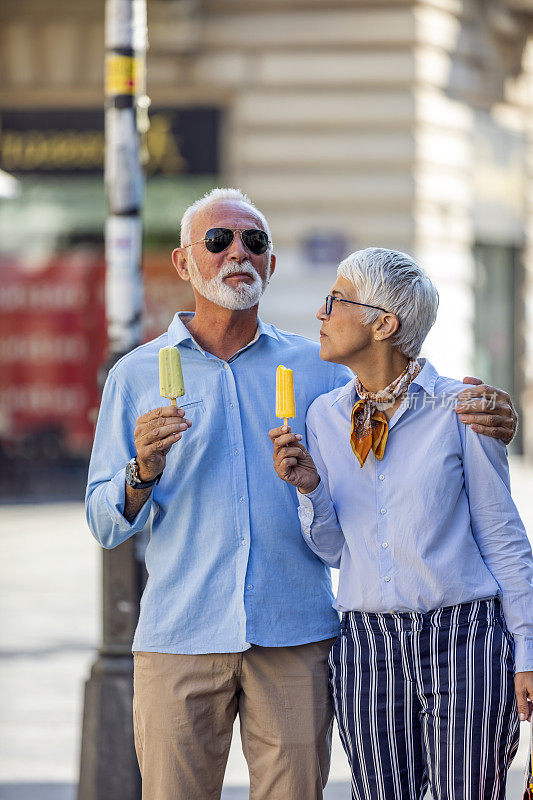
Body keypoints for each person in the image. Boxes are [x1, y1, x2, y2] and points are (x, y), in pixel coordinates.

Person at [86, 190, 517, 800]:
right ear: (184, 264)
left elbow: (400, 400)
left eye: (254, 242)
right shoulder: (135, 375)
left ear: (271, 263)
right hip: (181, 635)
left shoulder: (317, 368)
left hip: (296, 635)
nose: (239, 253)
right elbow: (104, 522)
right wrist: (142, 470)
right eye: (218, 241)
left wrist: (488, 412)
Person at [269, 247, 533, 800]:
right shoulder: (323, 417)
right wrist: (310, 488)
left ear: (383, 324)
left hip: (465, 637)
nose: (321, 313)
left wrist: (528, 652)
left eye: (335, 301)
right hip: (366, 644)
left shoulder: (461, 409)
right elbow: (336, 550)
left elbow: (503, 537)